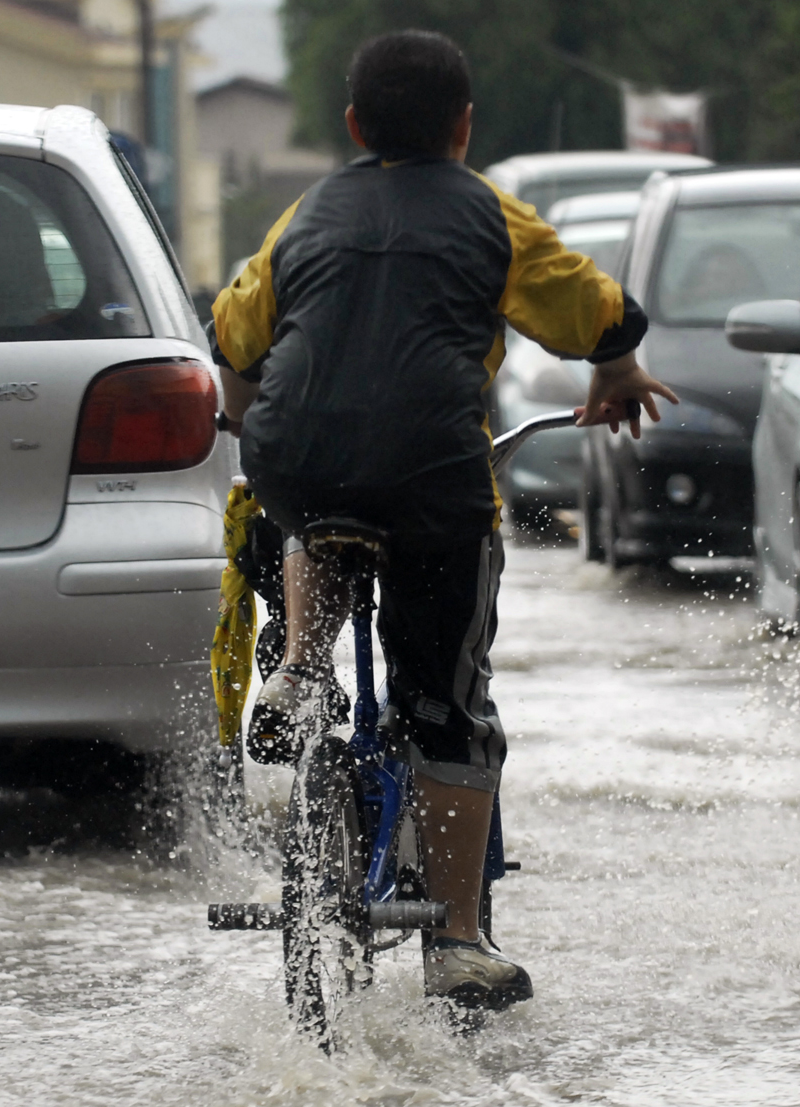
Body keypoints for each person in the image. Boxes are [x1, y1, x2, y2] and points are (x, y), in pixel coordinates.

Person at [209, 29, 677, 1015]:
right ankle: (459, 938)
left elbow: (234, 334)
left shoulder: (306, 213)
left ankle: (299, 667)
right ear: (465, 127)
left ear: (351, 128)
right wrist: (618, 367)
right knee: (448, 708)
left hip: (295, 456)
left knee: (306, 505)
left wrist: (252, 419)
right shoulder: (487, 214)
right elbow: (595, 310)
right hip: (430, 475)